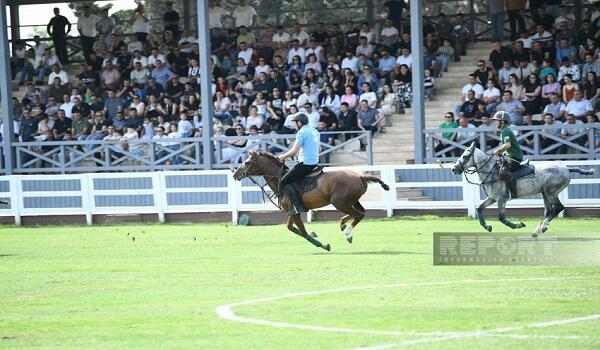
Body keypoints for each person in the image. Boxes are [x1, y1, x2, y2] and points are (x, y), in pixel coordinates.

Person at [277, 113, 320, 215]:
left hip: (306, 162)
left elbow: (294, 151)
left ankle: (298, 206)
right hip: (314, 161)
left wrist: (282, 157)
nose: (294, 125)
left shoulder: (301, 132)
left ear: (299, 123)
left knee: (282, 182)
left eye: (294, 123)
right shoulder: (314, 130)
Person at [491, 111, 524, 199]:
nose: (495, 122)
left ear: (502, 121)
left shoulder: (505, 130)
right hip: (510, 156)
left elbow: (507, 145)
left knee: (504, 172)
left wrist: (498, 151)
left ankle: (513, 193)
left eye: (496, 120)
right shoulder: (503, 130)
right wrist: (502, 153)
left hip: (514, 157)